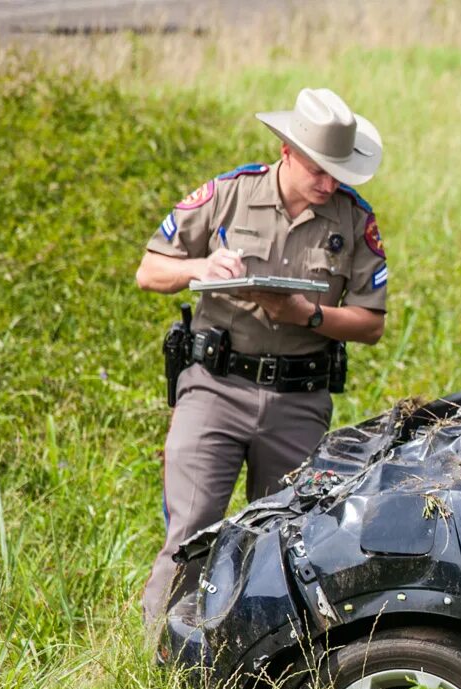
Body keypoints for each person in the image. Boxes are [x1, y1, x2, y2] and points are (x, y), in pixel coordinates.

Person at [137, 87, 389, 623]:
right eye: (319, 169)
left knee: (283, 542)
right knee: (191, 533)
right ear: (287, 152)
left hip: (299, 399)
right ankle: (159, 654)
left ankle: (261, 668)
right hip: (215, 387)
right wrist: (197, 268)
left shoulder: (353, 220)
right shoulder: (227, 194)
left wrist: (308, 315)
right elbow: (149, 270)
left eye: (338, 172)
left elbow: (371, 324)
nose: (329, 183)